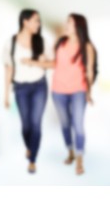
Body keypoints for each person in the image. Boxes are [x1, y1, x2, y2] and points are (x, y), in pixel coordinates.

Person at [3, 9, 52, 174]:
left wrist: (34, 62)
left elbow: (51, 64)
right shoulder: (11, 43)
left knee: (36, 123)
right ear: (25, 21)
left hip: (39, 86)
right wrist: (6, 94)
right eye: (35, 21)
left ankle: (32, 160)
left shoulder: (41, 42)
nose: (38, 24)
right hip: (21, 88)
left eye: (39, 21)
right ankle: (29, 146)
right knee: (26, 125)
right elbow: (9, 68)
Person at [51, 13, 96, 175]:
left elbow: (89, 72)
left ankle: (79, 159)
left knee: (78, 124)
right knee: (64, 124)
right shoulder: (60, 43)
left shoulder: (87, 47)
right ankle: (70, 151)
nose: (66, 24)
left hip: (79, 90)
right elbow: (54, 63)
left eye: (69, 22)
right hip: (58, 90)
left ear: (78, 25)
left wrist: (89, 92)